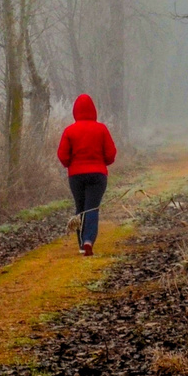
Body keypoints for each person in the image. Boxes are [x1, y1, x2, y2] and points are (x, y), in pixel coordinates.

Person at [56, 93, 116, 256]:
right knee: (92, 207)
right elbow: (111, 154)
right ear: (93, 110)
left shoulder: (69, 131)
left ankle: (82, 244)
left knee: (81, 208)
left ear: (75, 111)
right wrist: (102, 163)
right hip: (98, 175)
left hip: (76, 176)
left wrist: (71, 165)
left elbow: (62, 155)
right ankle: (88, 240)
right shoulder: (101, 129)